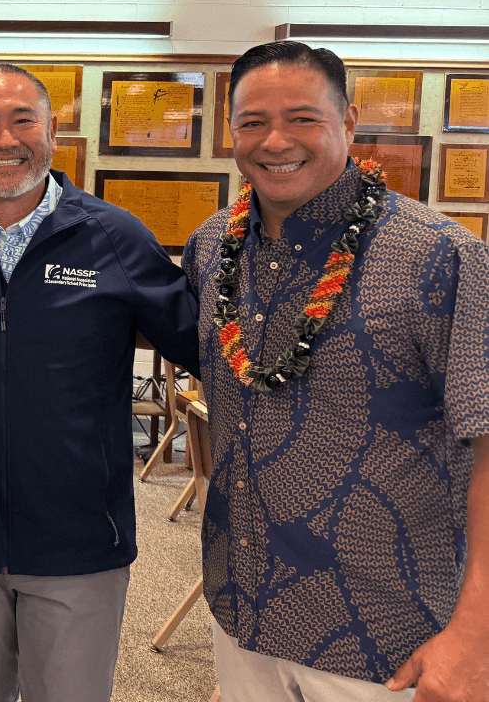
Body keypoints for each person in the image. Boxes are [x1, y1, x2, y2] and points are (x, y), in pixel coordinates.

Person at [181, 40, 489, 702]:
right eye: (253, 121)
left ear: (347, 121)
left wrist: (476, 634)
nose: (275, 141)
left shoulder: (438, 258)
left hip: (386, 636)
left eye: (302, 118)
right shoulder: (211, 249)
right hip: (244, 612)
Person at [0, 64, 200, 702]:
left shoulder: (113, 238)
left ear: (52, 132)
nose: (3, 139)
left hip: (80, 543)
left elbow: (206, 349)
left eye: (21, 119)